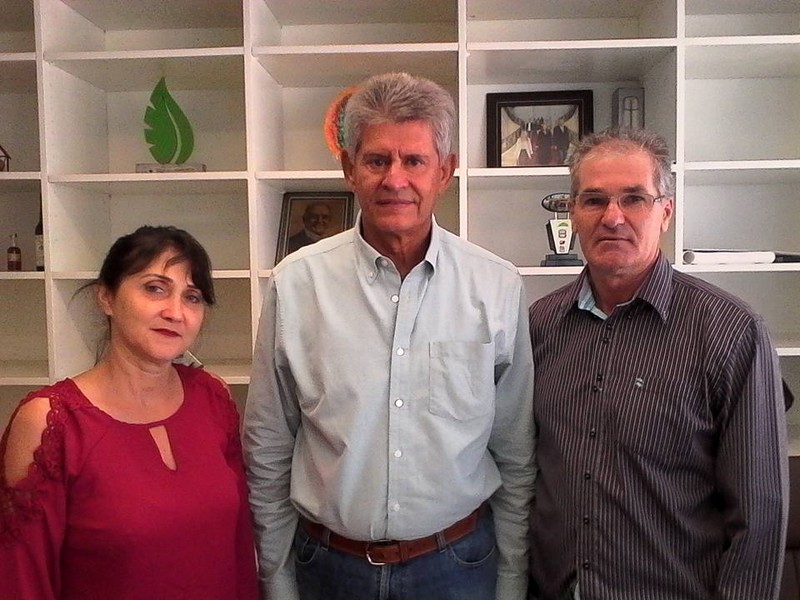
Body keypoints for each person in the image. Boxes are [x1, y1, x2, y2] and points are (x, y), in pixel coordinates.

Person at [244, 72, 535, 600]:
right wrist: (276, 578)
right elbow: (268, 447)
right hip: (328, 569)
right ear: (349, 169)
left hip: (458, 567)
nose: (394, 179)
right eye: (377, 160)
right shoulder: (297, 284)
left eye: (414, 161)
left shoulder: (496, 286)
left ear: (444, 171)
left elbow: (515, 452)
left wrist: (512, 578)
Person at [528, 127, 788, 599]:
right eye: (594, 200)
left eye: (634, 199)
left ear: (665, 212)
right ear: (574, 213)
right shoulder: (540, 326)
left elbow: (760, 515)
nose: (613, 217)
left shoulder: (731, 332)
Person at [0, 225, 259, 600]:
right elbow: (23, 579)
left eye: (192, 297)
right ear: (106, 297)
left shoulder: (212, 397)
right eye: (155, 288)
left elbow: (239, 549)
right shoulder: (51, 421)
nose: (175, 312)